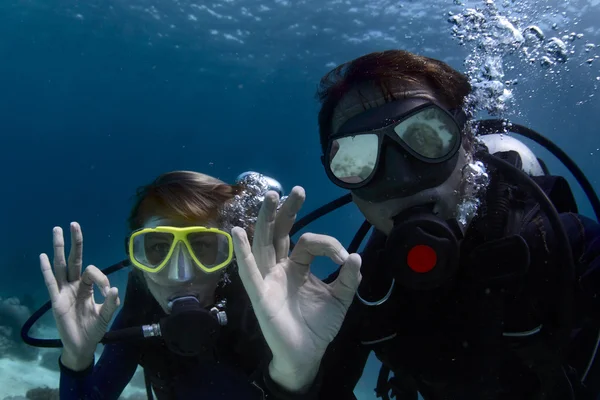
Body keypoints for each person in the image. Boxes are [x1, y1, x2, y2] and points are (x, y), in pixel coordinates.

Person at [231, 50, 600, 400]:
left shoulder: (560, 246)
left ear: (467, 141)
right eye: (357, 159)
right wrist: (296, 375)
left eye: (425, 137)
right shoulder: (364, 289)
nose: (400, 177)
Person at [38, 170, 361, 399]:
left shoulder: (268, 311)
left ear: (231, 255)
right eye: (158, 248)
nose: (180, 274)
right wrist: (77, 359)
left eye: (204, 247)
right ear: (136, 259)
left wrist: (297, 376)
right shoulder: (142, 312)